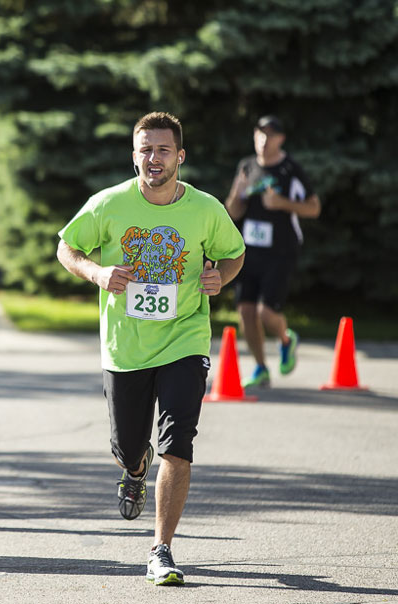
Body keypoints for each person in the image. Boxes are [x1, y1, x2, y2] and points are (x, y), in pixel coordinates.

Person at [57, 112, 245, 586]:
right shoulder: (109, 204)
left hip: (185, 337)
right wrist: (98, 273)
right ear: (134, 154)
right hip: (126, 347)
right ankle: (134, 469)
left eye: (163, 150)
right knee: (128, 445)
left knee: (178, 446)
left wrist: (219, 275)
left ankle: (161, 549)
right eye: (145, 149)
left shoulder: (205, 209)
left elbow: (234, 250)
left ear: (179, 156)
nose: (153, 158)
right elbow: (66, 247)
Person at [224, 115, 321, 388]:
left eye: (271, 135)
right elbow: (233, 211)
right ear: (255, 136)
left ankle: (286, 340)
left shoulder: (290, 170)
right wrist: (237, 191)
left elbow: (314, 207)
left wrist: (281, 203)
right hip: (248, 251)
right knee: (245, 312)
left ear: (281, 139)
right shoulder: (246, 166)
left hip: (281, 250)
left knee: (267, 313)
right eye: (260, 134)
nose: (264, 140)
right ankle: (260, 368)